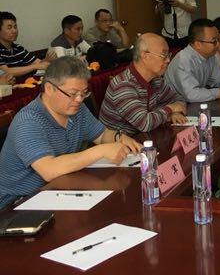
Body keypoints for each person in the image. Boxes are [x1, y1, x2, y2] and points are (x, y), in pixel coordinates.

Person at [0, 57, 141, 209]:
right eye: (72, 93)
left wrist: (118, 137)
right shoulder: (28, 121)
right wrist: (100, 151)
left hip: (58, 189)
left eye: (83, 93)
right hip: (17, 204)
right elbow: (49, 170)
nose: (79, 99)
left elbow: (101, 136)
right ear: (49, 88)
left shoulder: (76, 109)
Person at [100, 34, 187, 134]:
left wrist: (174, 112)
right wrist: (170, 109)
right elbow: (145, 123)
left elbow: (178, 99)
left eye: (169, 55)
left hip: (146, 136)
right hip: (120, 141)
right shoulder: (123, 86)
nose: (168, 60)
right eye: (164, 55)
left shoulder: (155, 79)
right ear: (145, 56)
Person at [165, 19, 220, 102]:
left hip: (193, 103)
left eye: (218, 39)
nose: (218, 45)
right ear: (198, 44)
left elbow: (219, 80)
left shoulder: (210, 56)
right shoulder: (183, 60)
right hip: (174, 104)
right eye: (214, 41)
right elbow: (192, 95)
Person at [0, 11, 55, 76]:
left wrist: (47, 59)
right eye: (9, 28)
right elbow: (6, 72)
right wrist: (35, 66)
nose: (14, 31)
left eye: (15, 27)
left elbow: (38, 63)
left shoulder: (19, 49)